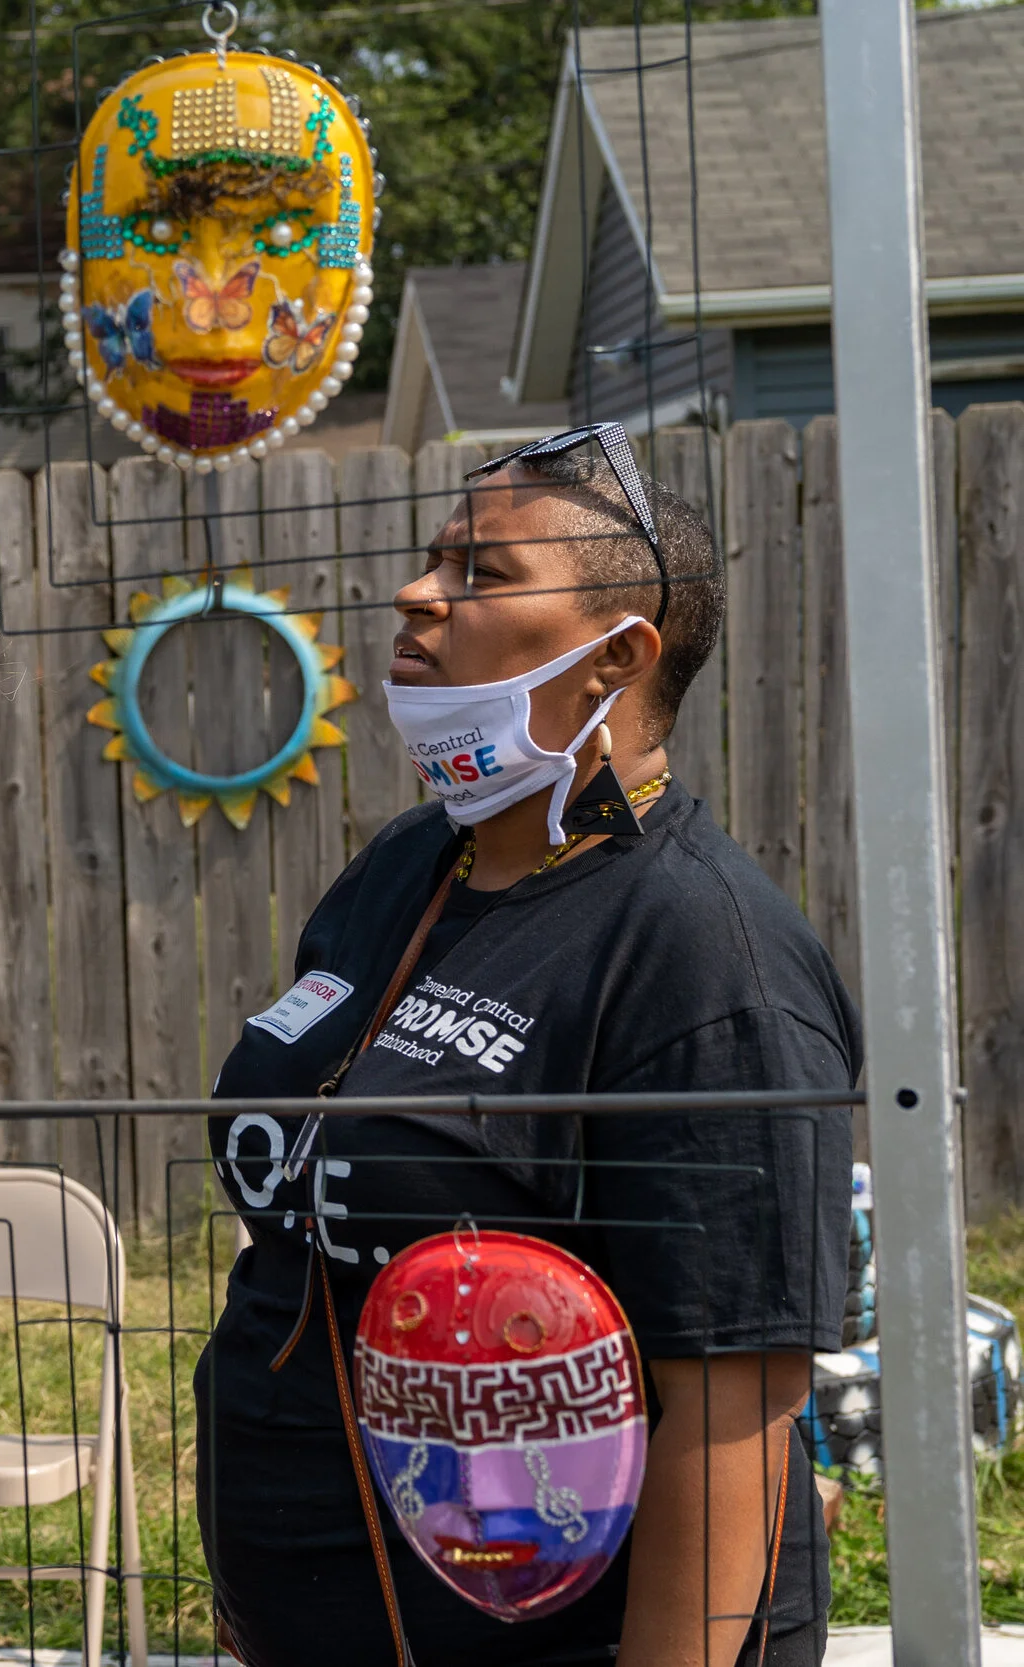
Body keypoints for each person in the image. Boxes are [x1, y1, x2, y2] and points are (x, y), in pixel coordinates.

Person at [197, 425, 855, 1667]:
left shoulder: (707, 958)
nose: (415, 591)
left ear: (616, 655)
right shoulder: (405, 866)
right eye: (436, 556)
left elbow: (730, 1421)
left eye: (480, 573)